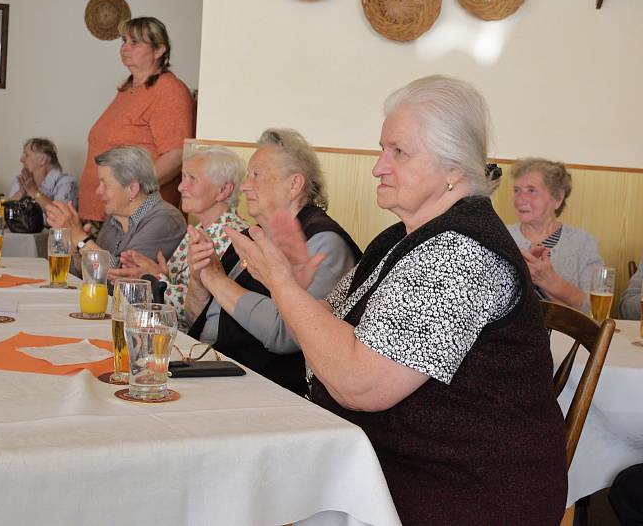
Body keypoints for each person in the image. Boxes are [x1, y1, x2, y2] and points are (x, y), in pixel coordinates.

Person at [225, 77, 567, 525]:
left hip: (467, 490)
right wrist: (285, 284)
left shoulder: (461, 254)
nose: (378, 167)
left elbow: (359, 384)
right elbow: (332, 318)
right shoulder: (401, 237)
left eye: (398, 153)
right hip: (396, 462)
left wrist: (282, 283)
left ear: (453, 168)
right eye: (381, 150)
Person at [184, 128, 360, 396]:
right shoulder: (251, 235)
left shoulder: (325, 243)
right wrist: (200, 278)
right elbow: (201, 321)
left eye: (256, 175)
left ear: (294, 184)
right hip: (209, 371)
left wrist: (217, 281)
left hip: (269, 392)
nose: (244, 186)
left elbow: (287, 335)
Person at [114, 146, 249, 329]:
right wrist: (158, 274)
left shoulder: (233, 237)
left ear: (223, 190)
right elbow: (181, 288)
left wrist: (155, 280)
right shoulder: (200, 229)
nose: (180, 186)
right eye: (183, 177)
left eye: (192, 178)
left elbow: (203, 309)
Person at [78, 16, 194, 223]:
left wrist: (127, 192)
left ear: (159, 50)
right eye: (124, 41)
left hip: (133, 219)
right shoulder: (128, 89)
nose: (125, 47)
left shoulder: (169, 91)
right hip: (102, 214)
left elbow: (176, 156)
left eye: (135, 42)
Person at [46, 146, 186, 276]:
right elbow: (92, 275)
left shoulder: (165, 220)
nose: (98, 191)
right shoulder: (115, 217)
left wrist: (81, 239)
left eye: (104, 183)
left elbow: (122, 279)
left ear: (132, 189)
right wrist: (76, 251)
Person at [507, 158, 603, 313]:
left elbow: (594, 309)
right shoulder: (501, 237)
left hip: (567, 337)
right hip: (510, 336)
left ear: (558, 198)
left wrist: (551, 282)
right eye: (517, 190)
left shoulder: (584, 243)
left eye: (531, 190)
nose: (520, 199)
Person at [8, 138, 77, 212]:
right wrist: (20, 192)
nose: (21, 159)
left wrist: (34, 191)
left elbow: (62, 215)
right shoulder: (20, 180)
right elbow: (4, 215)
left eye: (27, 155)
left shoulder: (65, 182)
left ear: (43, 160)